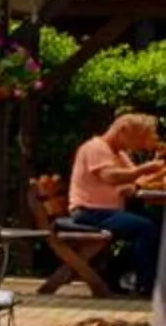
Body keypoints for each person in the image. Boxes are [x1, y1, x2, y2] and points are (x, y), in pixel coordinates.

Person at [70, 111, 166, 297]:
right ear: (122, 131)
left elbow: (138, 180)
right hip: (89, 211)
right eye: (136, 138)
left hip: (108, 212)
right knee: (146, 228)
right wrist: (142, 170)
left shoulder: (119, 154)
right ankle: (145, 286)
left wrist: (158, 167)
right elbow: (110, 176)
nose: (136, 145)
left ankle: (144, 278)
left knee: (158, 223)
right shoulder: (95, 148)